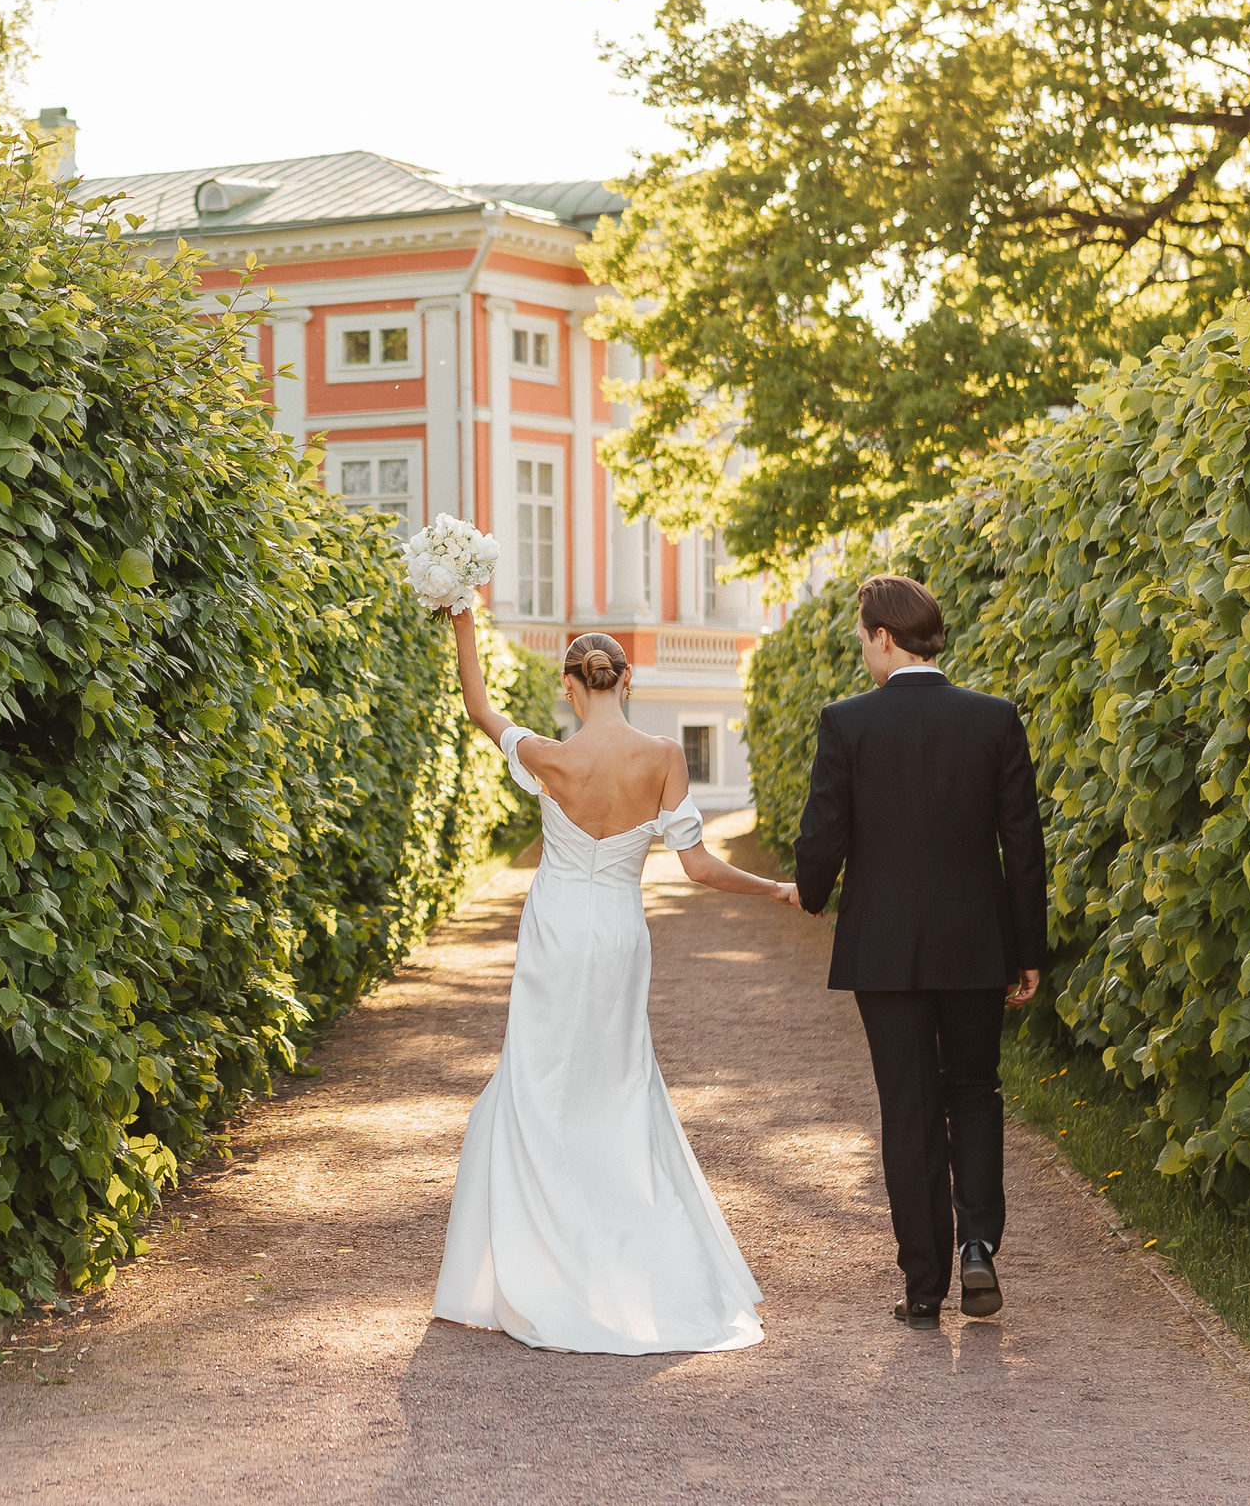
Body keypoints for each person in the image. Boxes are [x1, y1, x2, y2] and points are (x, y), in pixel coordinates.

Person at [431, 612, 798, 1353]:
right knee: (619, 1083)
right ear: (627, 680)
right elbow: (696, 866)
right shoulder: (664, 756)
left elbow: (476, 705)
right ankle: (637, 1262)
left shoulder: (545, 754)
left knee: (537, 1083)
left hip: (557, 931)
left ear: (571, 687)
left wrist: (463, 616)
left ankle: (543, 1262)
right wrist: (775, 890)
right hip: (620, 934)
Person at [792, 574, 1046, 1331]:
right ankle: (977, 1244)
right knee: (974, 1091)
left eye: (862, 637)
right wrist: (1026, 948)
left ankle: (925, 1284)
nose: (862, 649)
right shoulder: (995, 718)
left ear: (882, 636)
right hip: (976, 945)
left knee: (909, 1106)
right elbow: (1023, 845)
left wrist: (810, 890)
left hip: (886, 950)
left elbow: (822, 836)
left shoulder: (848, 723)